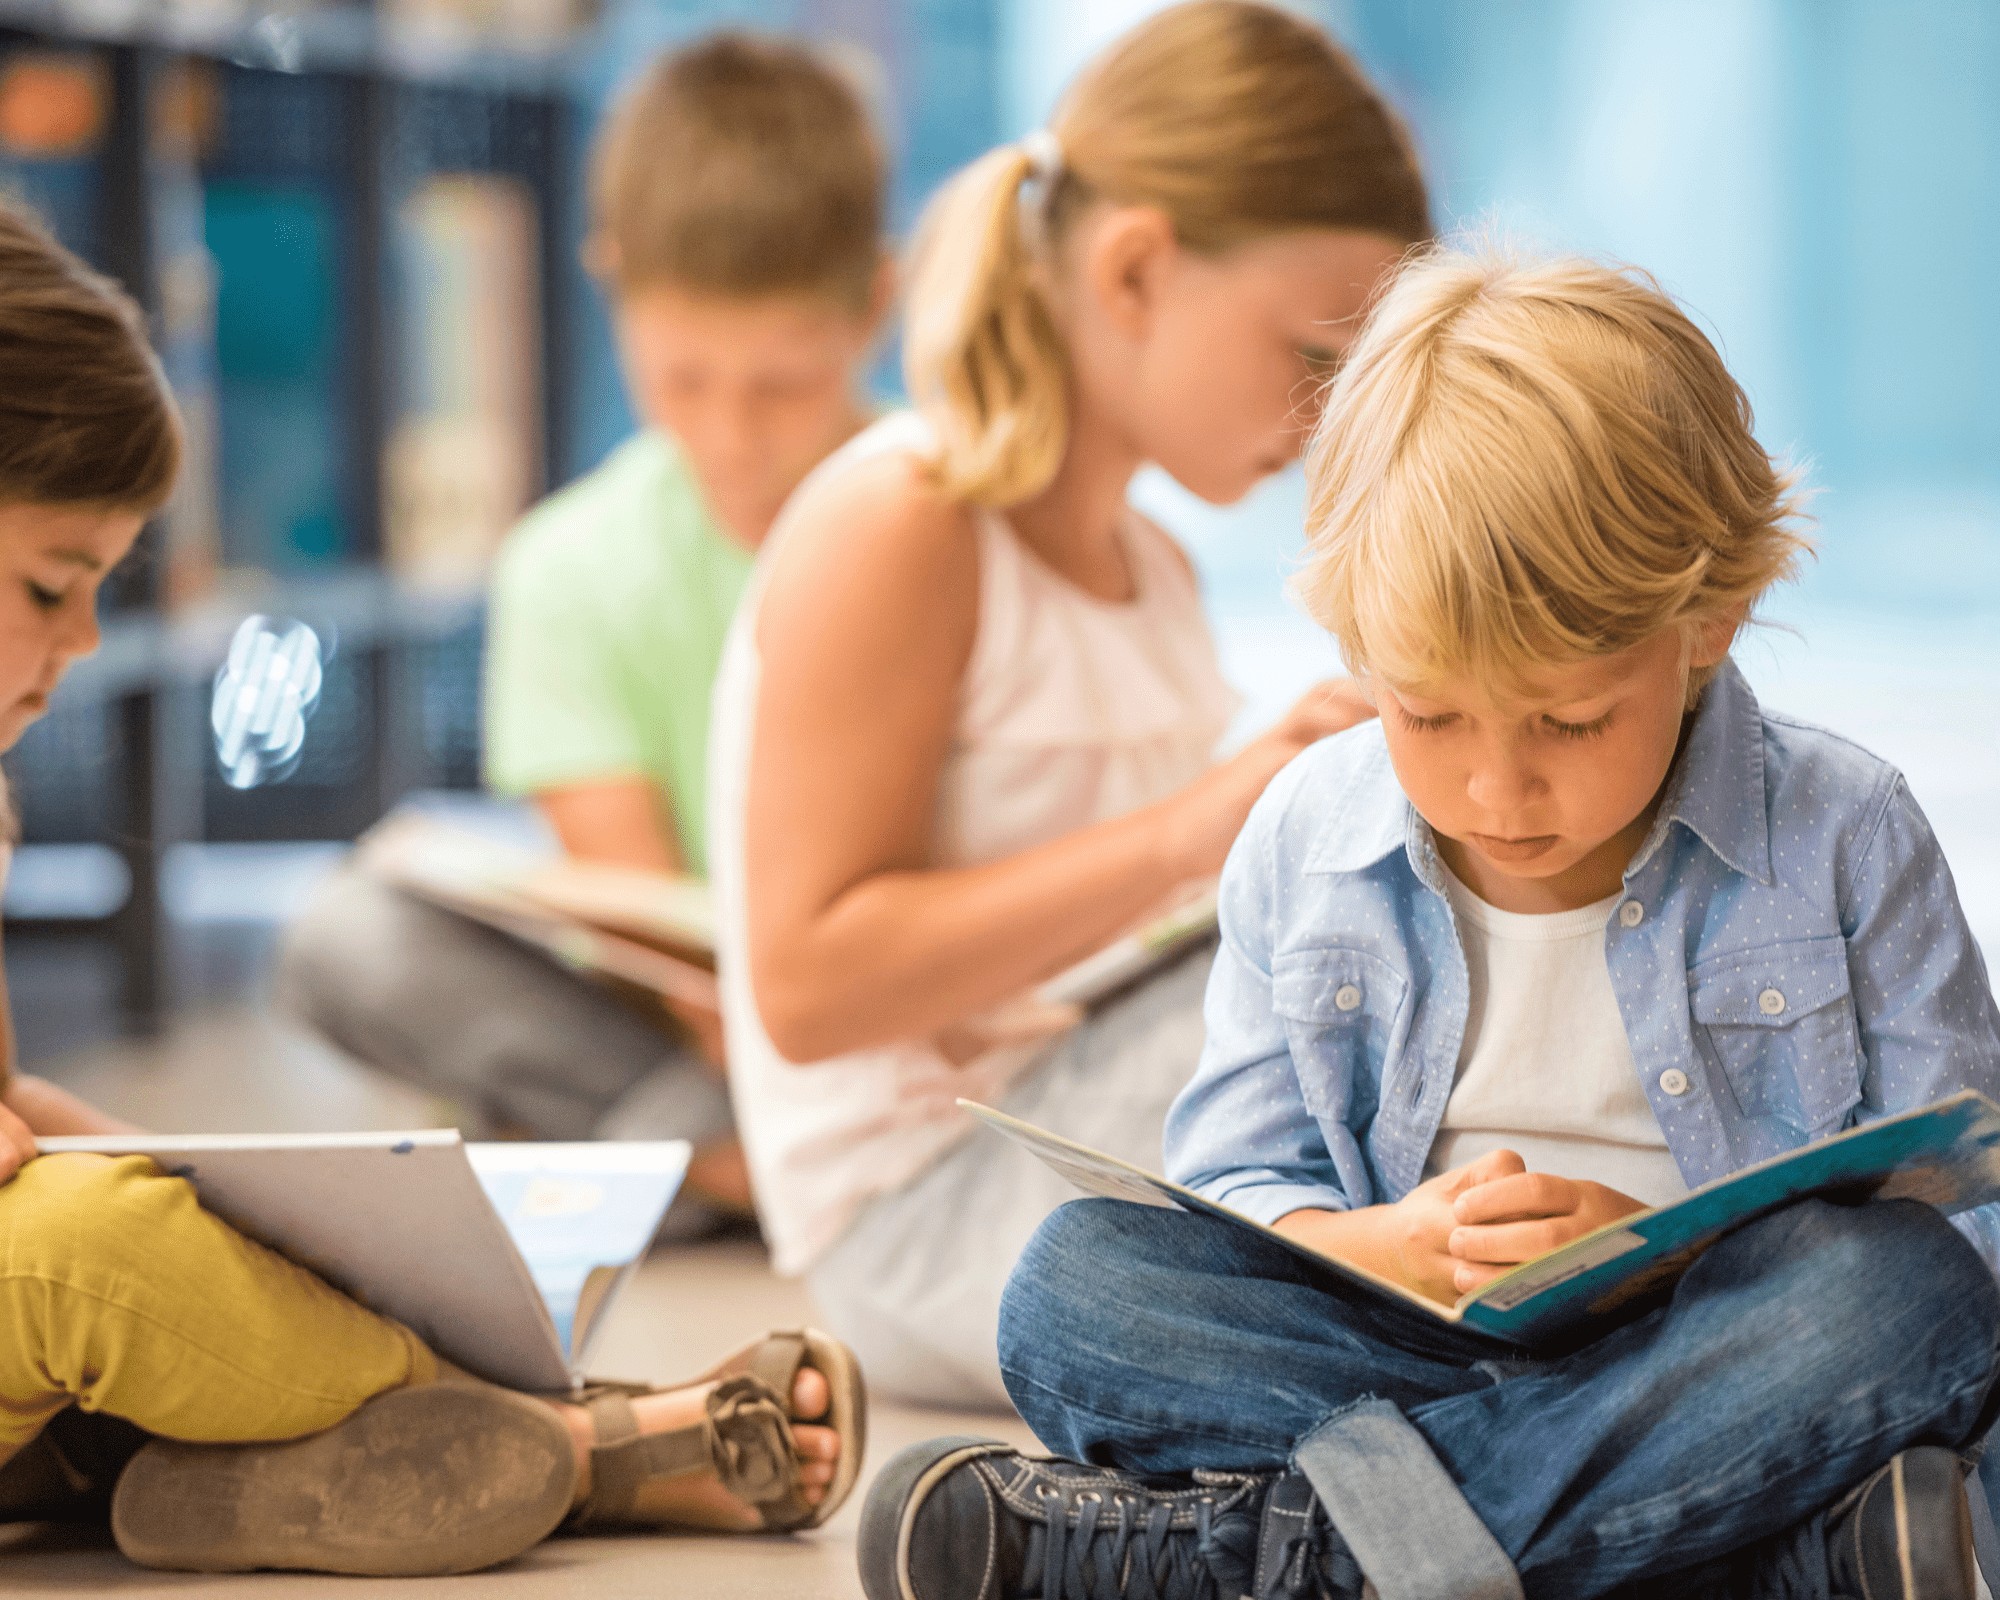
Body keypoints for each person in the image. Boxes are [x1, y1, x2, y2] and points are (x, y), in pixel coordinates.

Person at [859, 247, 2000, 1600]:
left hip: (1702, 1355)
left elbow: (1963, 1222)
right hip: (1397, 1352)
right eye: (1427, 714)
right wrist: (1395, 1247)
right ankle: (1744, 1553)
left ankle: (1261, 1561)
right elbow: (1232, 1190)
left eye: (1569, 723)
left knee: (1901, 1296)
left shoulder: (1845, 829)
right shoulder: (1308, 835)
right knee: (1079, 1289)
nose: (1494, 788)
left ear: (1709, 620)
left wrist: (1657, 1245)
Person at [0, 200, 865, 1576]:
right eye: (51, 586)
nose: (85, 639)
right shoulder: (585, 553)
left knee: (153, 1219)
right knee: (76, 1251)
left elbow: (16, 1119)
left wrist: (215, 1196)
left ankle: (214, 1463)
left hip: (843, 1034)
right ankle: (583, 1446)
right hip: (733, 1043)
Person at [709, 0, 1431, 1408]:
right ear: (1136, 270)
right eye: (1311, 355)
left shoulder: (1151, 567)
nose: (1329, 414)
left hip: (1081, 1120)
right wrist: (1205, 826)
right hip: (928, 1199)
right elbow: (805, 987)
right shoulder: (904, 520)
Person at [278, 33, 891, 1222]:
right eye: (681, 381)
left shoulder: (947, 514)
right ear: (610, 285)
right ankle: (754, 1175)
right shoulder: (569, 560)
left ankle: (681, 1172)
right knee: (347, 937)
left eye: (781, 384)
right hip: (706, 1031)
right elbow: (658, 944)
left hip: (904, 1007)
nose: (730, 435)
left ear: (876, 299)